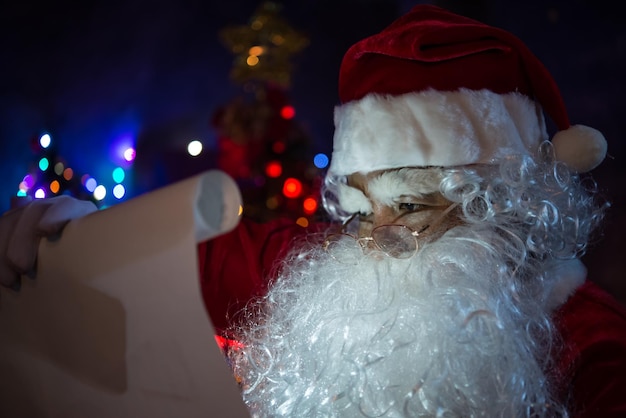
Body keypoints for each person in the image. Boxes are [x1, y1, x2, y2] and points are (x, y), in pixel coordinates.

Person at [1, 4, 625, 417]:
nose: (375, 238)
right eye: (360, 207)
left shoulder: (588, 339)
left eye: (407, 205)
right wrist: (85, 230)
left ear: (499, 205)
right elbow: (197, 261)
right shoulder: (336, 263)